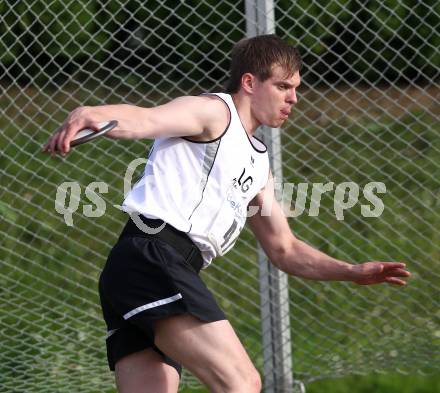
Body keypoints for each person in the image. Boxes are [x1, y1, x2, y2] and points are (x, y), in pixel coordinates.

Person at [43, 35, 410, 393]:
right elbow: (145, 119)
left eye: (296, 88)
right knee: (241, 383)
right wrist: (90, 114)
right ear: (249, 82)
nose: (293, 98)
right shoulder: (214, 112)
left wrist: (351, 271)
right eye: (283, 86)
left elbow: (285, 249)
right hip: (153, 258)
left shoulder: (258, 163)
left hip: (141, 269)